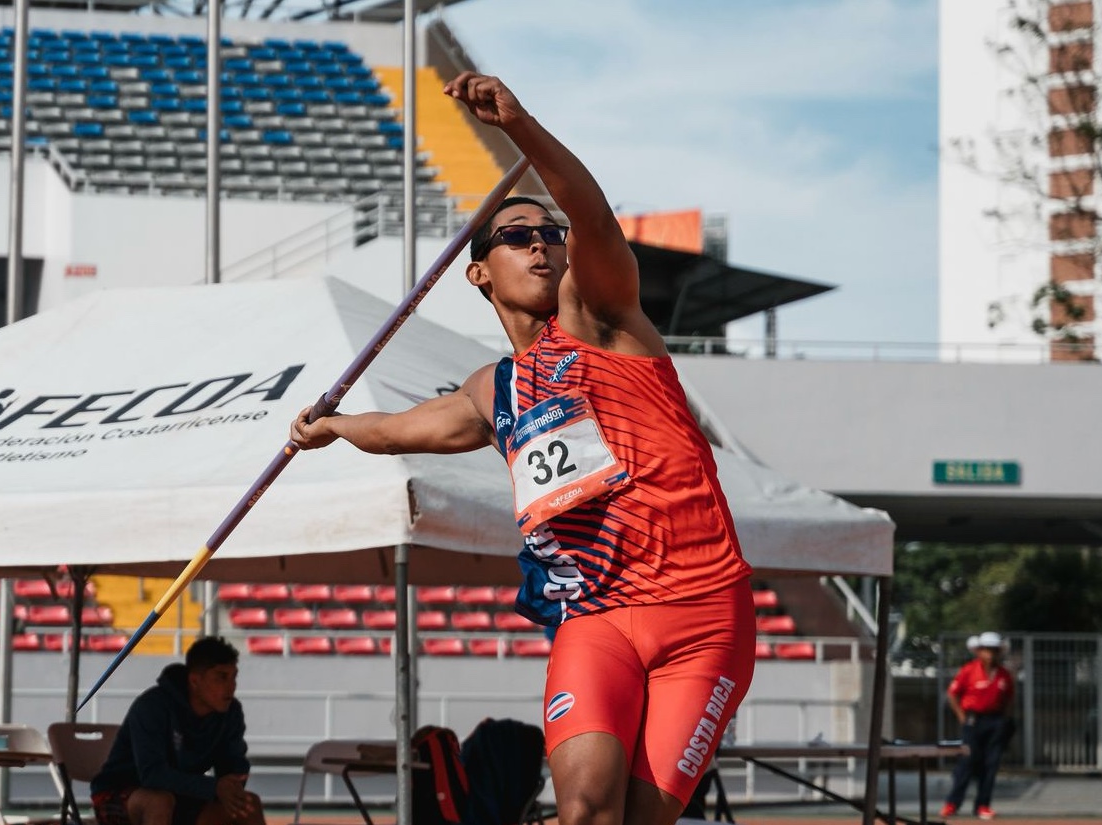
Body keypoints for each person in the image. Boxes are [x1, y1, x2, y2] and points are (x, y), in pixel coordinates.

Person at [290, 72, 756, 825]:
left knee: (639, 820)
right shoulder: (491, 390)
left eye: (549, 234)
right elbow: (403, 430)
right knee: (583, 812)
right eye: (517, 235)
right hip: (597, 617)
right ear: (479, 271)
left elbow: (592, 216)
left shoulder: (604, 317)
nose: (541, 243)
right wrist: (333, 427)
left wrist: (521, 127)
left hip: (703, 613)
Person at [90, 637, 263, 825]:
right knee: (159, 802)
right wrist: (214, 787)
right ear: (195, 681)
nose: (231, 686)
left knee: (248, 805)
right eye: (221, 677)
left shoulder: (231, 712)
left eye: (234, 676)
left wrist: (233, 784)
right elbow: (152, 775)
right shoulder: (153, 706)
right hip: (118, 792)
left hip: (179, 794)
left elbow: (232, 765)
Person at [941, 631, 1016, 820]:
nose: (990, 654)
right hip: (973, 721)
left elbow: (1009, 699)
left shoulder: (1004, 674)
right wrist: (962, 716)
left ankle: (982, 805)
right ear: (979, 651)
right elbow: (952, 694)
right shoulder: (969, 670)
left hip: (996, 721)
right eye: (987, 650)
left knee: (991, 764)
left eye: (994, 650)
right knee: (967, 762)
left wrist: (1004, 721)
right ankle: (952, 804)